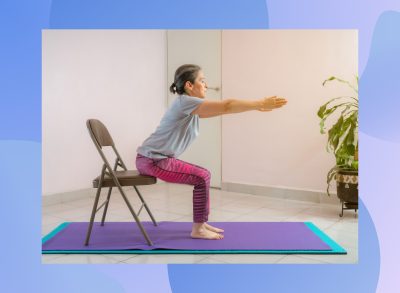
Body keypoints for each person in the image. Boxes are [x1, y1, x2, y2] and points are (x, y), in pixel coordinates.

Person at [136, 64, 287, 240]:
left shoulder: (189, 107)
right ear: (189, 86)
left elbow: (225, 109)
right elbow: (227, 106)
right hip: (152, 160)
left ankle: (201, 223)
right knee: (202, 176)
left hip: (153, 159)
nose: (206, 85)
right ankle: (198, 228)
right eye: (202, 80)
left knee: (203, 176)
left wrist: (253, 107)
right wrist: (259, 102)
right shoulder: (185, 102)